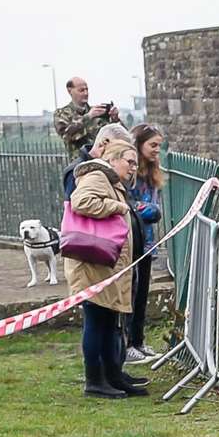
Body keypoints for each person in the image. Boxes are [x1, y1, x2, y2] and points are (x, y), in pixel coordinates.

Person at [65, 139, 149, 399]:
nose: (134, 168)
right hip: (93, 266)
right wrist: (117, 206)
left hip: (106, 267)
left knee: (109, 322)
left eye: (135, 163)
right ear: (112, 159)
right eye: (129, 161)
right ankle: (95, 380)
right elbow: (81, 201)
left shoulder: (111, 181)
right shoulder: (98, 176)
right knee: (97, 322)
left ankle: (112, 375)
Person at [125, 124, 166, 361]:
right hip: (133, 240)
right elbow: (131, 207)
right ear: (139, 144)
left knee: (142, 294)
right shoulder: (131, 175)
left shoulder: (152, 174)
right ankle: (128, 342)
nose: (156, 151)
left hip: (148, 242)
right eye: (152, 145)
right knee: (131, 293)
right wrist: (152, 210)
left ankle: (139, 340)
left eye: (159, 146)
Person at [53, 77, 119, 160]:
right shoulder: (62, 114)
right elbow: (67, 135)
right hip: (80, 164)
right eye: (81, 90)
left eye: (87, 90)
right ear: (70, 91)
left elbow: (117, 135)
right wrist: (88, 117)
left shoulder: (98, 113)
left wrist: (115, 119)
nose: (86, 93)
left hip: (103, 163)